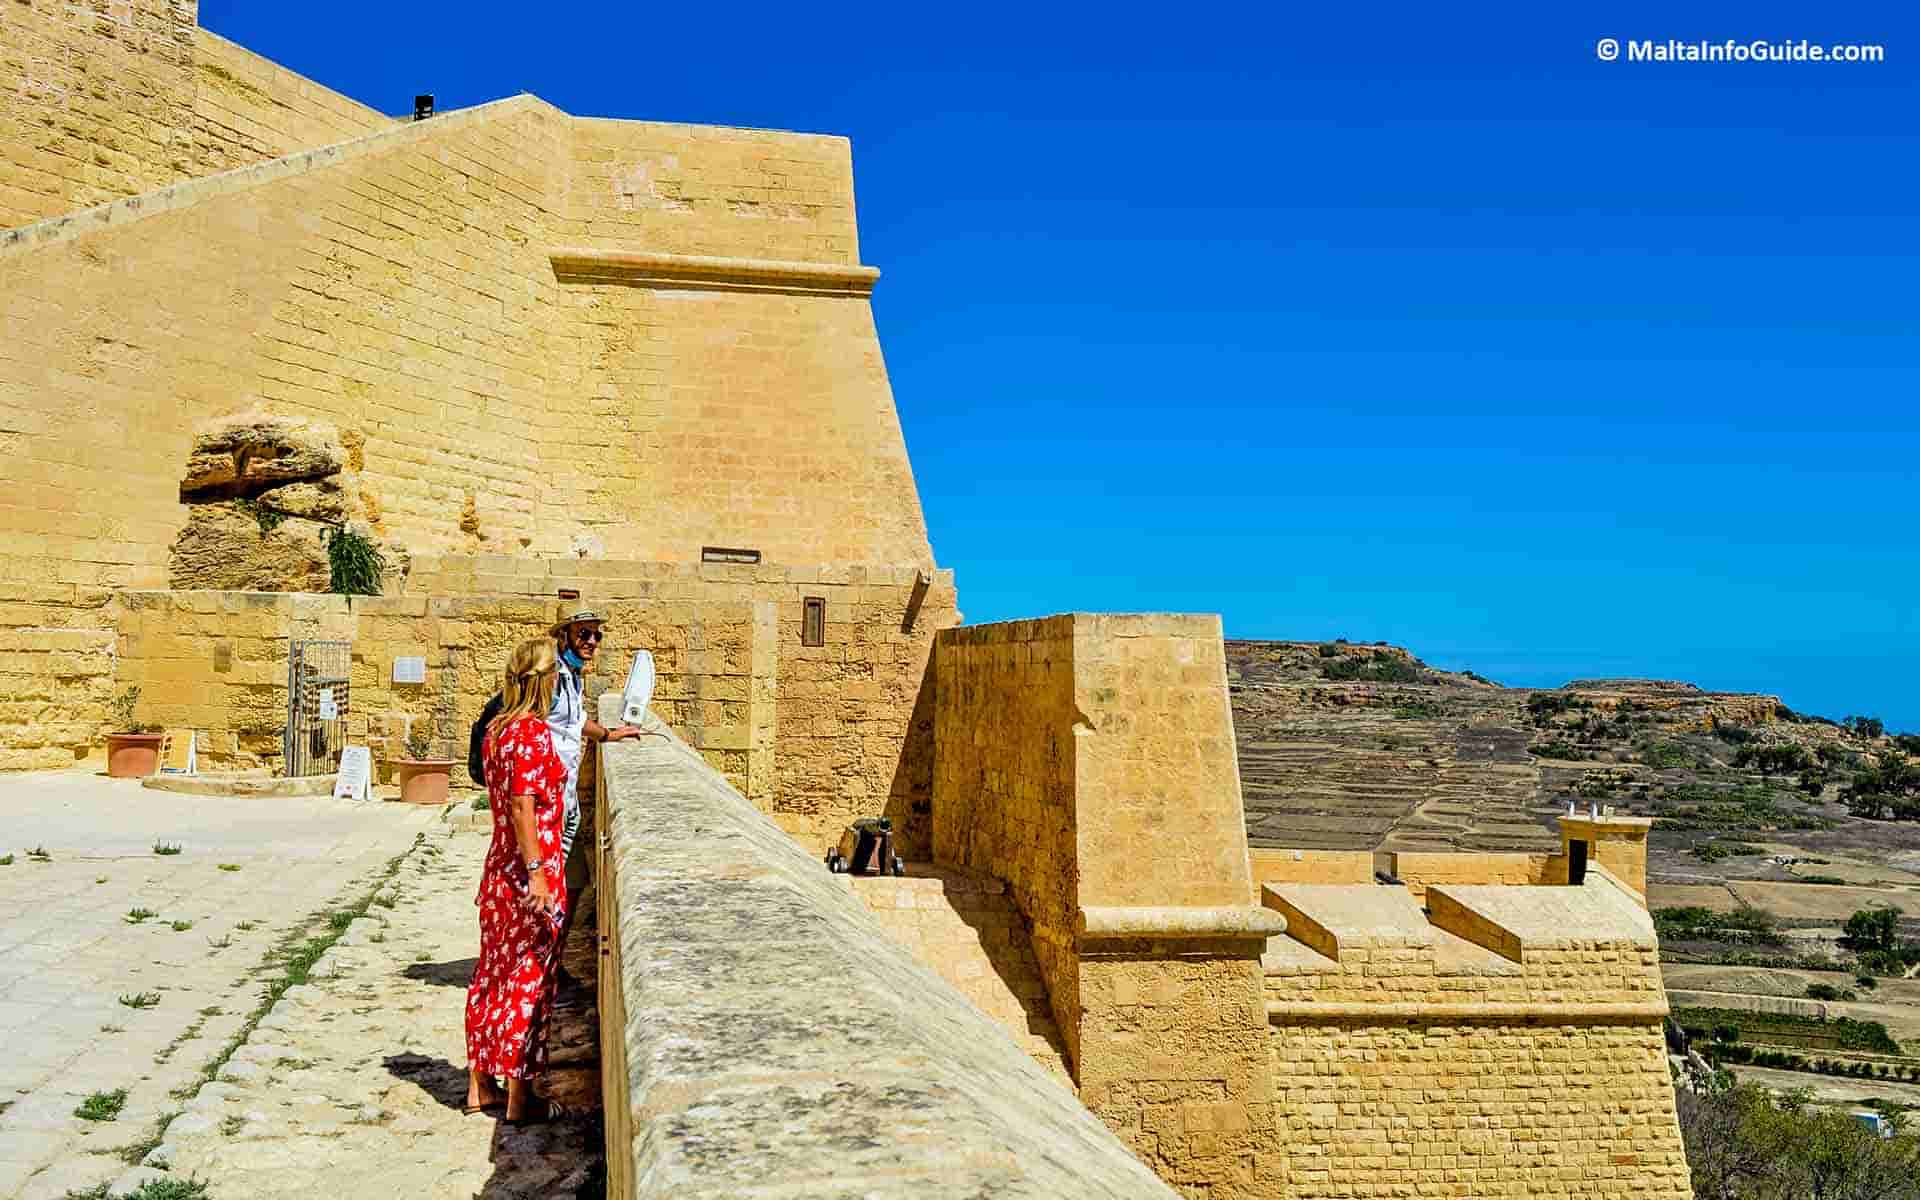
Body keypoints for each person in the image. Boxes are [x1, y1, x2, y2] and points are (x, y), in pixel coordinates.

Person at [464, 637, 572, 1123]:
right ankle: (519, 1097)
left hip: (497, 874)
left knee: (492, 975)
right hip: (531, 875)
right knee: (530, 981)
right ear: (544, 681)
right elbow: (522, 806)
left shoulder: (495, 733)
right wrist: (539, 876)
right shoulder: (530, 735)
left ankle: (480, 1084)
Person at [545, 608, 641, 984]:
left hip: (566, 796)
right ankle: (545, 968)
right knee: (557, 884)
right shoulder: (550, 676)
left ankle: (551, 963)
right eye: (584, 634)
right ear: (565, 635)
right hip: (549, 796)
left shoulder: (570, 677)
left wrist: (607, 735)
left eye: (596, 636)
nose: (591, 642)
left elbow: (570, 721)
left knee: (572, 883)